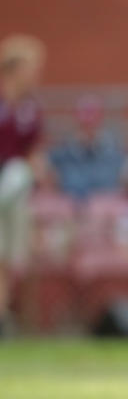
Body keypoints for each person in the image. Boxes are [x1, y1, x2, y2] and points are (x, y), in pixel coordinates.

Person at [0, 34, 47, 336]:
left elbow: (32, 152)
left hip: (14, 193)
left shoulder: (30, 110)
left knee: (7, 257)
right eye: (32, 68)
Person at [48, 95, 127, 202]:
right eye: (84, 126)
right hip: (71, 208)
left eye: (92, 125)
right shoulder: (62, 154)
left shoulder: (114, 153)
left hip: (103, 209)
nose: (88, 131)